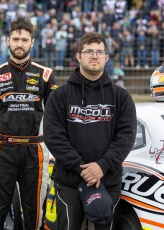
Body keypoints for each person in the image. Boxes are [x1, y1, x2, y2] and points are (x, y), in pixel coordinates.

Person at [43, 32, 137, 230]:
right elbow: (54, 137)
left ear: (106, 57)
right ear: (78, 56)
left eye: (99, 52)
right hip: (69, 182)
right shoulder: (60, 96)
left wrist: (102, 166)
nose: (94, 56)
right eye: (88, 51)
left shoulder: (121, 97)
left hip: (108, 180)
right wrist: (82, 168)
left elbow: (126, 137)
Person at [0, 17, 57, 229]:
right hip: (3, 148)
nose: (20, 44)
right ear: (8, 41)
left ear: (32, 42)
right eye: (16, 39)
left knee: (34, 215)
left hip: (35, 150)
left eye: (24, 39)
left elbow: (55, 115)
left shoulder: (46, 75)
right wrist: (2, 138)